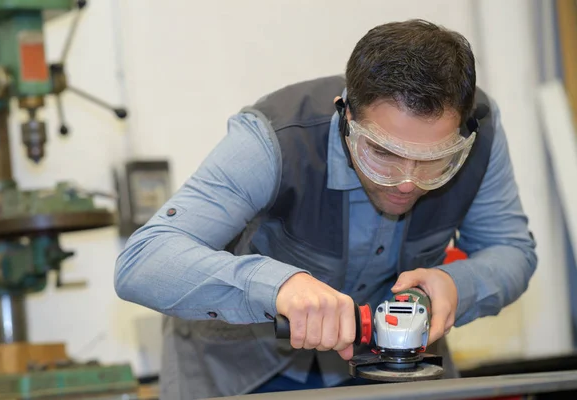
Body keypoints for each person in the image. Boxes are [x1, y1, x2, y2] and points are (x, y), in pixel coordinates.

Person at [114, 19, 537, 400]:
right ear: (345, 115)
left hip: (393, 366)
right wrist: (278, 287)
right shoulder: (273, 138)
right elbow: (143, 262)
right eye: (384, 153)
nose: (407, 181)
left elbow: (512, 250)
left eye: (434, 160)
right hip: (241, 369)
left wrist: (457, 284)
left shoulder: (482, 130)